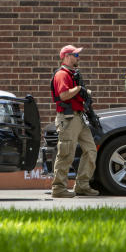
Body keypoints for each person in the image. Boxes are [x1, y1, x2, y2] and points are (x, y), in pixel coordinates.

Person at [49, 45, 99, 198]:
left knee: (91, 150)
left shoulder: (72, 74)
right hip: (68, 118)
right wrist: (79, 89)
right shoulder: (62, 75)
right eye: (75, 55)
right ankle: (58, 188)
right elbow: (64, 95)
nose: (78, 57)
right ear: (66, 56)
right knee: (66, 153)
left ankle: (82, 185)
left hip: (78, 117)